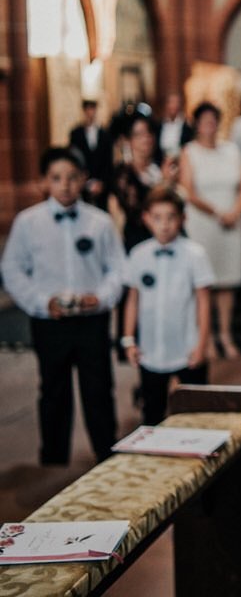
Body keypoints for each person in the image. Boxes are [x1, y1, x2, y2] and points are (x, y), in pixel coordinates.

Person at [1, 148, 124, 464]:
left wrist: (102, 296)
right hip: (50, 321)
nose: (66, 185)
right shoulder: (28, 223)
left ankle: (106, 456)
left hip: (92, 320)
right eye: (56, 178)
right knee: (53, 392)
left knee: (98, 390)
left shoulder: (100, 222)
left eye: (72, 178)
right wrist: (42, 303)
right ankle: (53, 462)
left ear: (83, 179)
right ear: (44, 182)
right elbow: (12, 269)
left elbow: (117, 268)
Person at [121, 186, 214, 426]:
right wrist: (129, 339)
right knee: (152, 411)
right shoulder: (138, 254)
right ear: (146, 219)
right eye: (157, 218)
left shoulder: (195, 254)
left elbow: (204, 302)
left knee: (196, 411)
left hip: (187, 345)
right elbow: (132, 300)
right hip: (151, 349)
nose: (164, 225)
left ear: (183, 219)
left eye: (171, 217)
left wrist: (202, 344)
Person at [179, 102, 241, 360]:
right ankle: (206, 337)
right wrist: (218, 213)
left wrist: (235, 211)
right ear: (196, 124)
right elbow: (188, 190)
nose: (210, 125)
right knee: (205, 282)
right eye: (205, 120)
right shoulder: (189, 152)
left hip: (232, 221)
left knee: (227, 282)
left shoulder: (231, 150)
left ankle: (225, 334)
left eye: (214, 120)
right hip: (203, 222)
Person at [109, 111, 165, 252]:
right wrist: (164, 183)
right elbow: (135, 212)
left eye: (148, 133)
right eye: (139, 134)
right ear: (129, 140)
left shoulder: (158, 168)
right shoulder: (123, 174)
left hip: (165, 237)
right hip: (138, 241)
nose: (145, 139)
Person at [69, 99, 114, 209]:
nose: (90, 112)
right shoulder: (76, 133)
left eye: (92, 109)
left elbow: (108, 161)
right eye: (88, 109)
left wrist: (102, 182)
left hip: (101, 183)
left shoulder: (105, 134)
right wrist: (83, 180)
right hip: (83, 181)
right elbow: (74, 158)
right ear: (84, 111)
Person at [155, 92, 193, 170]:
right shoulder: (158, 127)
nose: (173, 106)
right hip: (161, 166)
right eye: (171, 102)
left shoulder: (187, 128)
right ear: (166, 105)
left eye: (176, 102)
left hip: (182, 166)